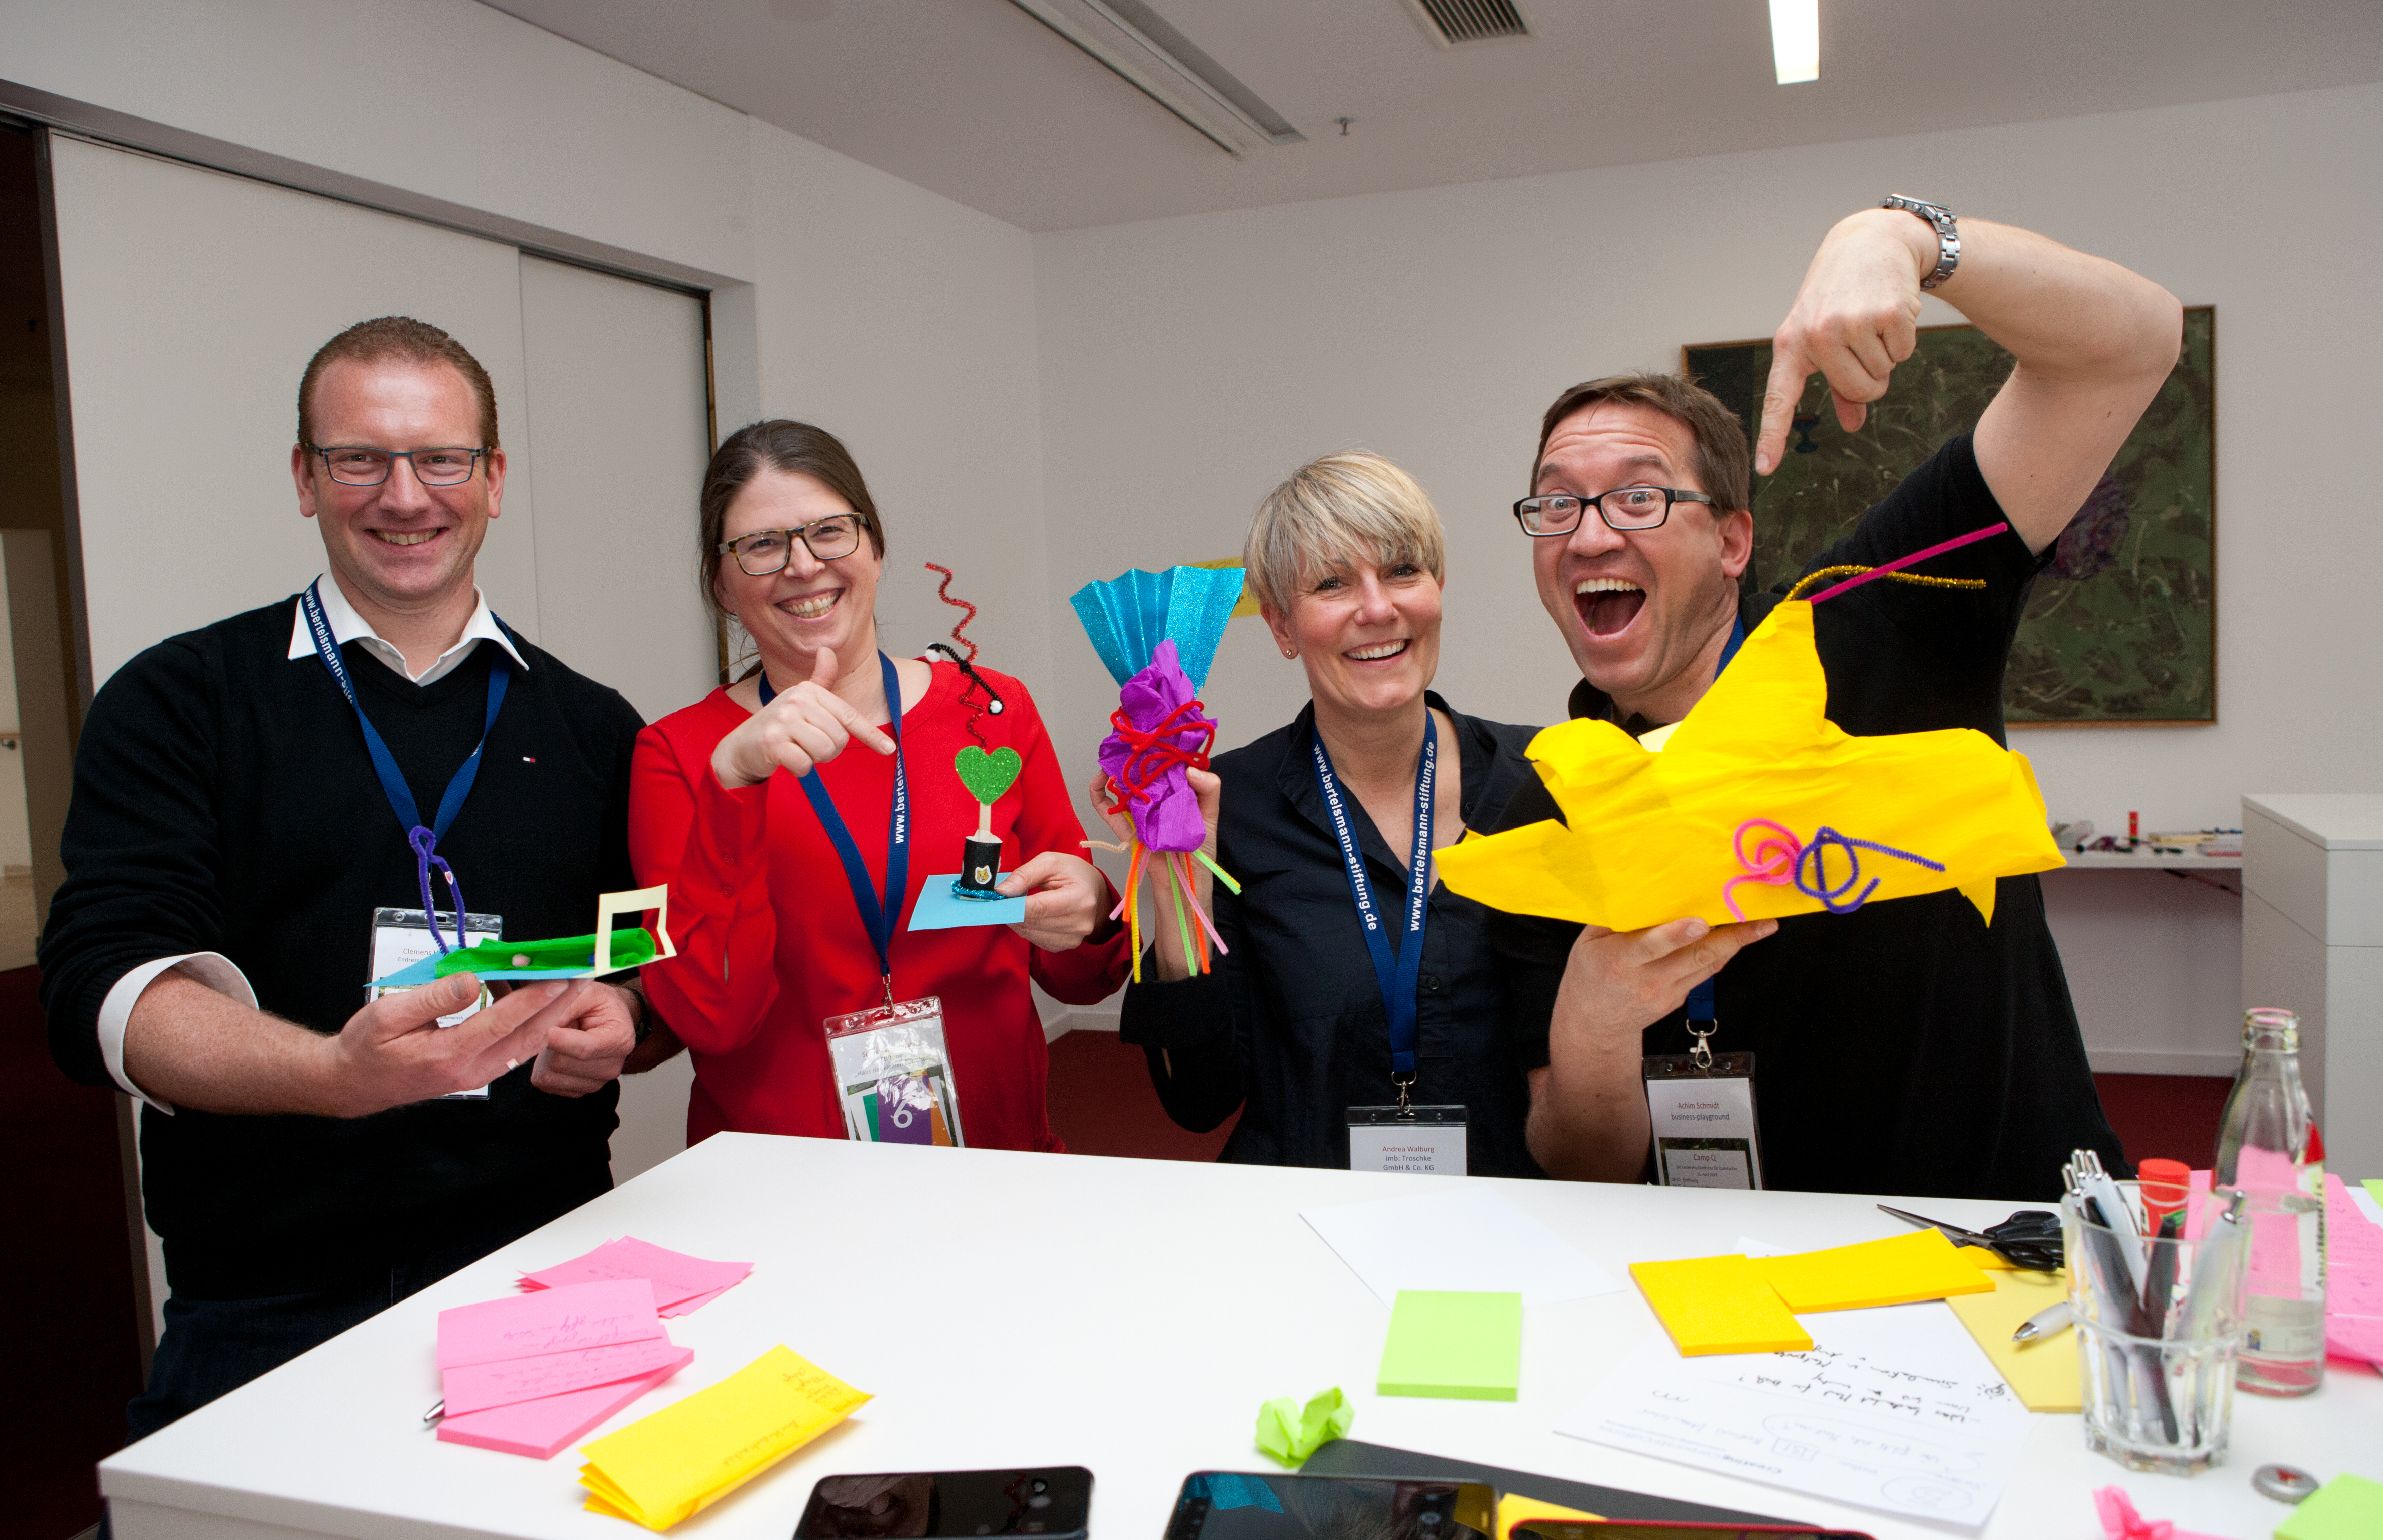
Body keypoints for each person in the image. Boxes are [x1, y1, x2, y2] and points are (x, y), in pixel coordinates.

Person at [38, 317, 662, 1452]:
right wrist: (335, 1074)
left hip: (542, 1272)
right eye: (358, 458)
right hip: (267, 1299)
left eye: (441, 459)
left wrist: (620, 1012)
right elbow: (103, 987)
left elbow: (641, 957)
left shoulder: (590, 726)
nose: (405, 495)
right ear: (303, 478)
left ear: (494, 479)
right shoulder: (183, 701)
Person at [1500, 199, 2181, 1198]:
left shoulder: (1874, 617)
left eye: (1639, 496)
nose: (1590, 534)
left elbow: (2127, 350)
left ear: (1732, 542)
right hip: (1734, 1291)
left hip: (2006, 1252)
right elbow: (1581, 1162)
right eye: (1556, 504)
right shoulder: (1548, 802)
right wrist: (1592, 1028)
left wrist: (1906, 238)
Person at [630, 420, 1124, 1150]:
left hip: (995, 1165)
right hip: (787, 1184)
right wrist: (735, 782)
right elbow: (713, 1016)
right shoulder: (681, 752)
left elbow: (1083, 977)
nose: (803, 565)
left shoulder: (991, 710)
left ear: (876, 548)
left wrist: (1090, 910)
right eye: (762, 546)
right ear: (722, 585)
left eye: (830, 531)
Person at [1113, 453, 1550, 1176]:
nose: (1377, 608)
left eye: (1404, 571)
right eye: (1331, 583)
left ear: (1438, 589)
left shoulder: (1544, 782)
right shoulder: (1232, 805)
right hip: (1307, 1216)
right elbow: (1198, 1099)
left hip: (1518, 1215)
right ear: (1283, 626)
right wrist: (1177, 874)